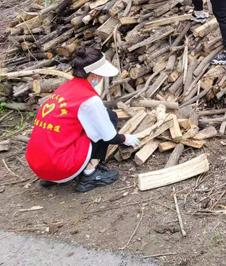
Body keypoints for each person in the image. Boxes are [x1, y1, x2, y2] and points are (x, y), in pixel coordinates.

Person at [25, 48, 140, 193]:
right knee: (109, 117)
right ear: (95, 75)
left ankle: (50, 176)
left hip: (37, 164)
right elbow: (108, 136)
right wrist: (125, 139)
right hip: (61, 167)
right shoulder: (89, 100)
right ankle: (90, 174)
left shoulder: (65, 88)